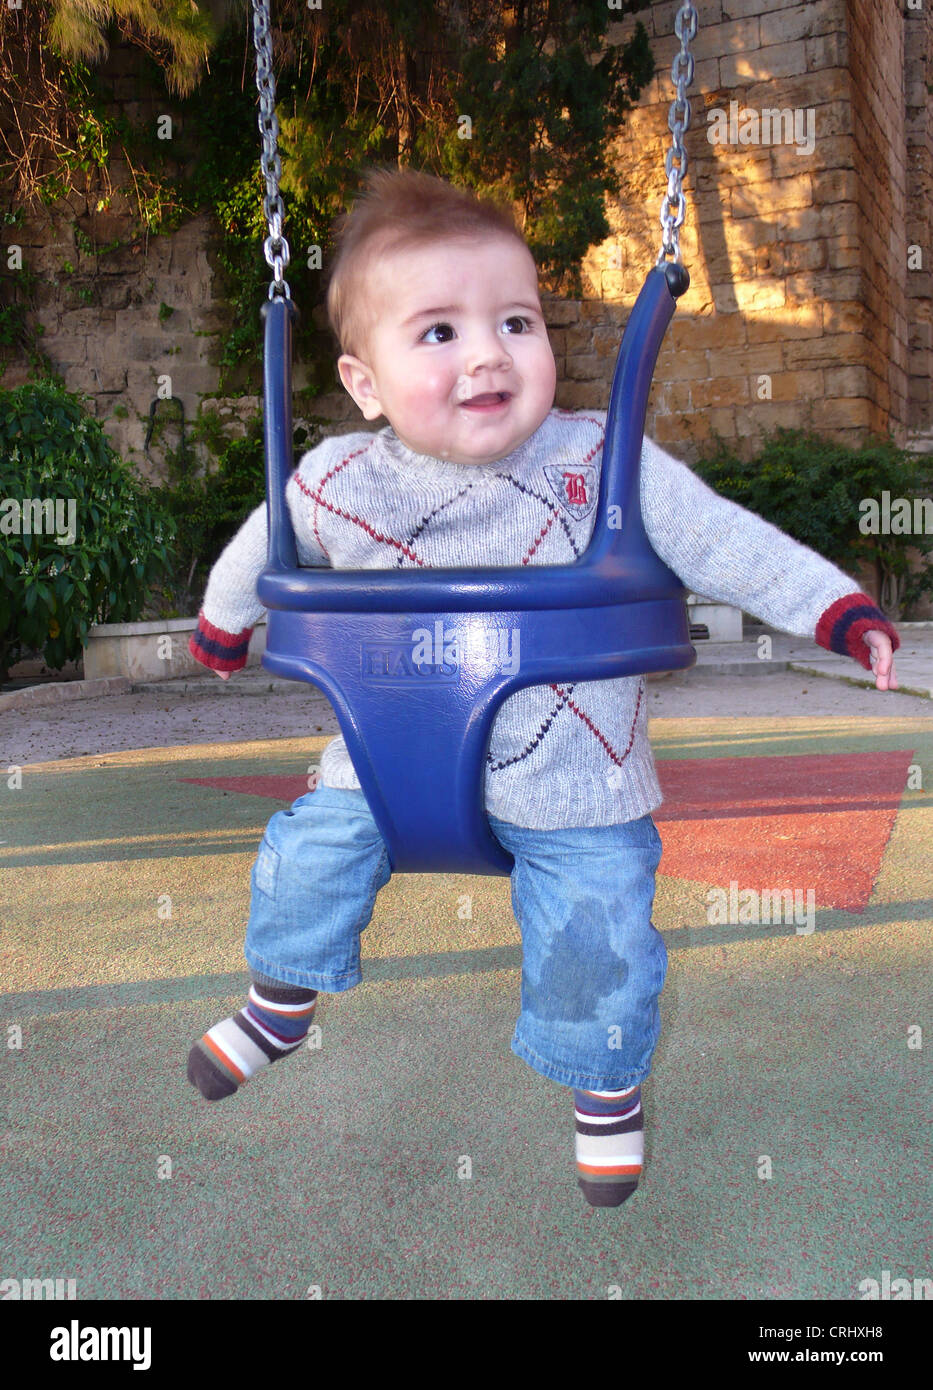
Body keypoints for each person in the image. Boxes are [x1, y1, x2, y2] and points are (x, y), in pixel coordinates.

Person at [185, 167, 900, 1208]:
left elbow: (722, 540)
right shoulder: (340, 479)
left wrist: (838, 611)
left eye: (515, 321)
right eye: (438, 332)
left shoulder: (597, 463)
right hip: (383, 772)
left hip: (575, 783)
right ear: (365, 382)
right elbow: (261, 546)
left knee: (601, 927)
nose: (488, 353)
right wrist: (222, 621)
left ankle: (605, 1085)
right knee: (304, 856)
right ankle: (280, 1000)